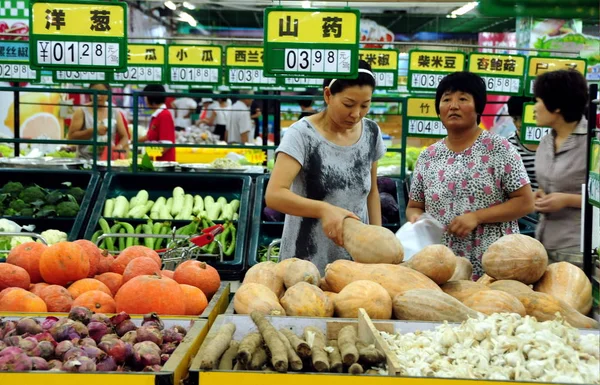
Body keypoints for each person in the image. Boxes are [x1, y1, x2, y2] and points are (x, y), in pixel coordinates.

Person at [406, 72, 534, 279]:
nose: (453, 105)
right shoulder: (428, 156)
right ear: (438, 109)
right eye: (446, 99)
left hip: (495, 265)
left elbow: (525, 202)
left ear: (478, 107)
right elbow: (415, 206)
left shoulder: (500, 149)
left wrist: (476, 217)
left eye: (463, 99)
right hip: (442, 266)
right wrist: (417, 220)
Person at [265, 60, 386, 274]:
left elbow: (372, 193)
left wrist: (378, 243)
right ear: (328, 95)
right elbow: (275, 195)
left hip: (355, 263)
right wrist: (324, 209)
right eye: (349, 104)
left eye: (365, 105)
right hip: (305, 260)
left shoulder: (371, 133)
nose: (356, 114)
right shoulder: (302, 135)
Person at [533, 69, 589, 266]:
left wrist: (567, 200)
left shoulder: (592, 142)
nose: (534, 107)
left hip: (577, 248)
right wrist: (541, 194)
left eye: (538, 100)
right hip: (544, 243)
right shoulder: (546, 141)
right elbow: (548, 182)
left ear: (555, 106)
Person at [67, 83, 129, 160]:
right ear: (90, 94)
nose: (99, 96)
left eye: (102, 92)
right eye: (95, 92)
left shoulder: (114, 111)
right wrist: (93, 130)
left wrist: (118, 147)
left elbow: (124, 136)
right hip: (85, 161)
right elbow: (71, 137)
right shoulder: (81, 111)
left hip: (108, 161)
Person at [506, 96, 538, 190]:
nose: (519, 124)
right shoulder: (509, 145)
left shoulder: (552, 141)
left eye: (523, 118)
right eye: (515, 119)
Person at [138, 84, 176, 162]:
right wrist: (133, 141)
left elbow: (166, 144)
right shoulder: (157, 115)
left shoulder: (164, 115)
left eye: (146, 97)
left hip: (163, 165)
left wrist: (148, 159)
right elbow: (150, 136)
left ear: (152, 99)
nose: (145, 100)